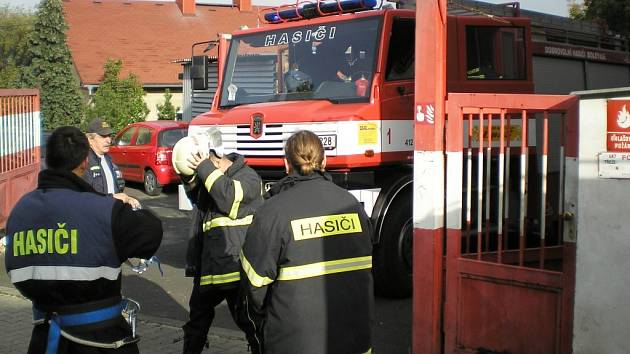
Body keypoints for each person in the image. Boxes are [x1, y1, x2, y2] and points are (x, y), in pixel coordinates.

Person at [4, 126, 163, 354]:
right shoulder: (103, 209)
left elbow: (15, 269)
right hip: (101, 340)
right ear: (83, 163)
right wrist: (105, 202)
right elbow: (151, 232)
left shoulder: (20, 210)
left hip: (44, 338)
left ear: (48, 160)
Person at [238, 130, 374, 354]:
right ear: (325, 160)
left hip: (293, 343)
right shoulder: (353, 206)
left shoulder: (272, 212)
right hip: (355, 341)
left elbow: (253, 287)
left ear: (286, 164)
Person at [180, 127, 264, 354]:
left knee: (250, 323)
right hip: (209, 270)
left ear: (213, 155)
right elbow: (195, 194)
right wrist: (188, 174)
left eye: (201, 160)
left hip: (235, 269)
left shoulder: (248, 177)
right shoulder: (209, 176)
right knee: (197, 321)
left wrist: (205, 169)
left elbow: (229, 198)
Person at [83, 117, 140, 209]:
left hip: (111, 211)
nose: (108, 140)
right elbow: (84, 198)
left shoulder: (108, 159)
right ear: (90, 139)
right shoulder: (84, 163)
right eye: (103, 136)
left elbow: (116, 189)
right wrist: (113, 197)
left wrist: (127, 199)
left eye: (109, 135)